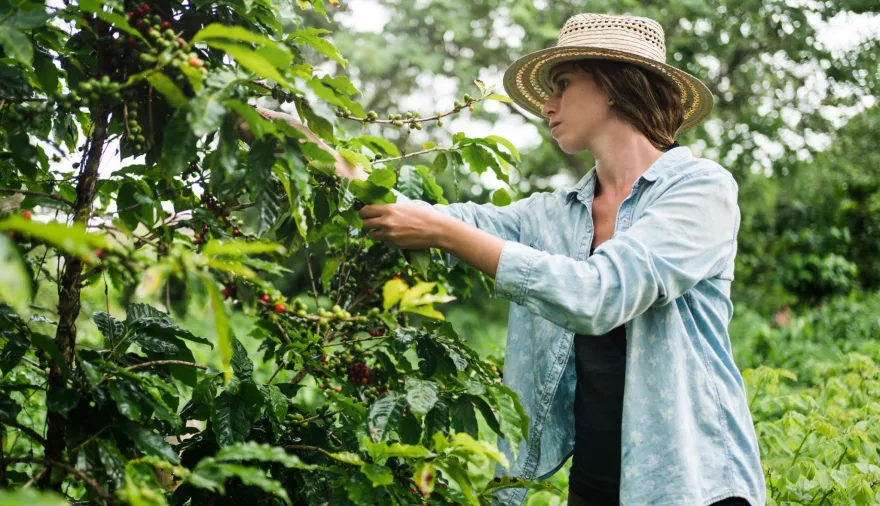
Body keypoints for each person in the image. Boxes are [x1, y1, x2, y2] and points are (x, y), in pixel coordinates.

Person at [237, 12, 766, 506]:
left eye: (562, 85)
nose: (546, 104)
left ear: (612, 83)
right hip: (600, 479)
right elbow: (420, 211)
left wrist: (443, 231)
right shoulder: (556, 214)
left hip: (693, 480)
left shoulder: (702, 191)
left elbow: (599, 295)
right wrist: (306, 146)